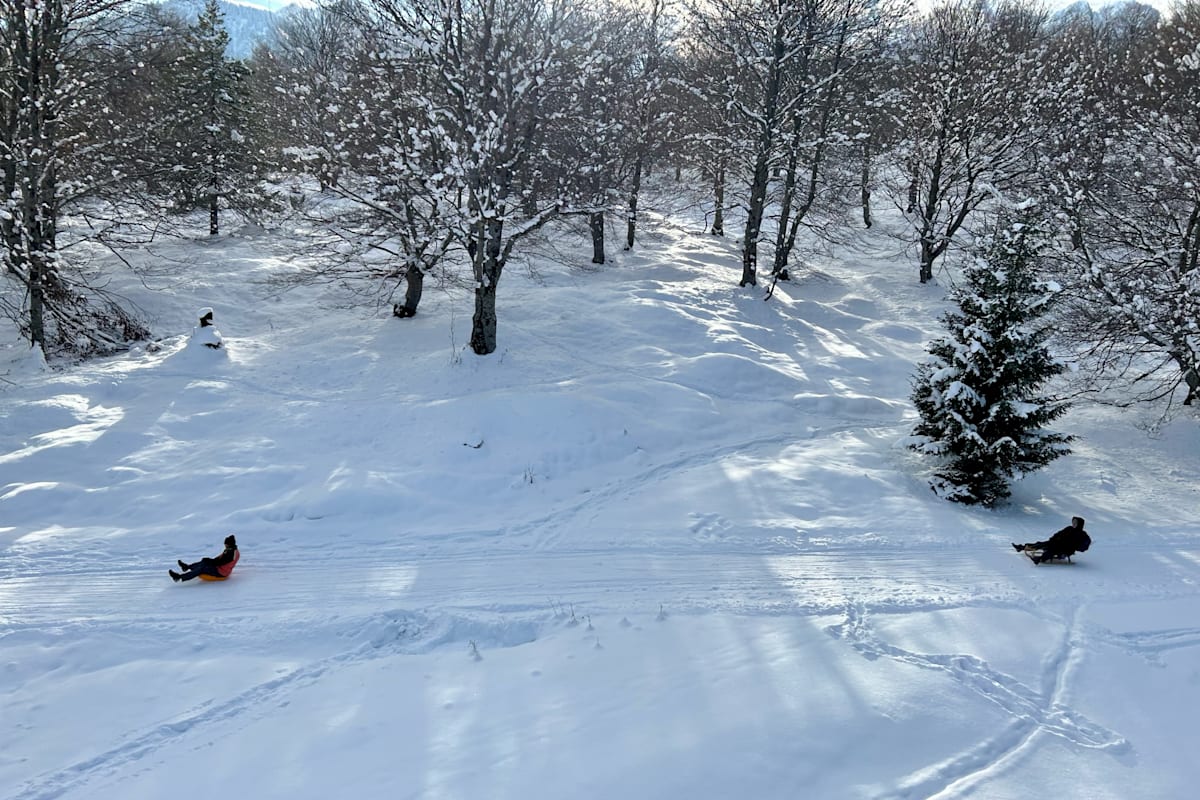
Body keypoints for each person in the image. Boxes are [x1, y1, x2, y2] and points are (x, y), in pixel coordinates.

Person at [1013, 517, 1091, 563]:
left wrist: (1075, 547)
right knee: (1041, 544)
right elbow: (1058, 533)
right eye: (1073, 522)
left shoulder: (1082, 534)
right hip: (1056, 543)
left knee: (1051, 550)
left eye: (1075, 523)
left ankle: (1039, 559)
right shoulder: (1069, 528)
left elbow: (1085, 544)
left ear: (1079, 524)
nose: (1073, 524)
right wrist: (1052, 539)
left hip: (1066, 549)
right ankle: (1022, 547)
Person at [170, 535, 239, 582]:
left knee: (202, 568)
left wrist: (210, 561)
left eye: (226, 544)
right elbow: (219, 559)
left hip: (221, 572)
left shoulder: (232, 553)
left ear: (229, 544)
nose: (225, 545)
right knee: (204, 562)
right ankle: (187, 567)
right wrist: (208, 560)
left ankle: (179, 577)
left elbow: (220, 562)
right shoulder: (230, 550)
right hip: (219, 568)